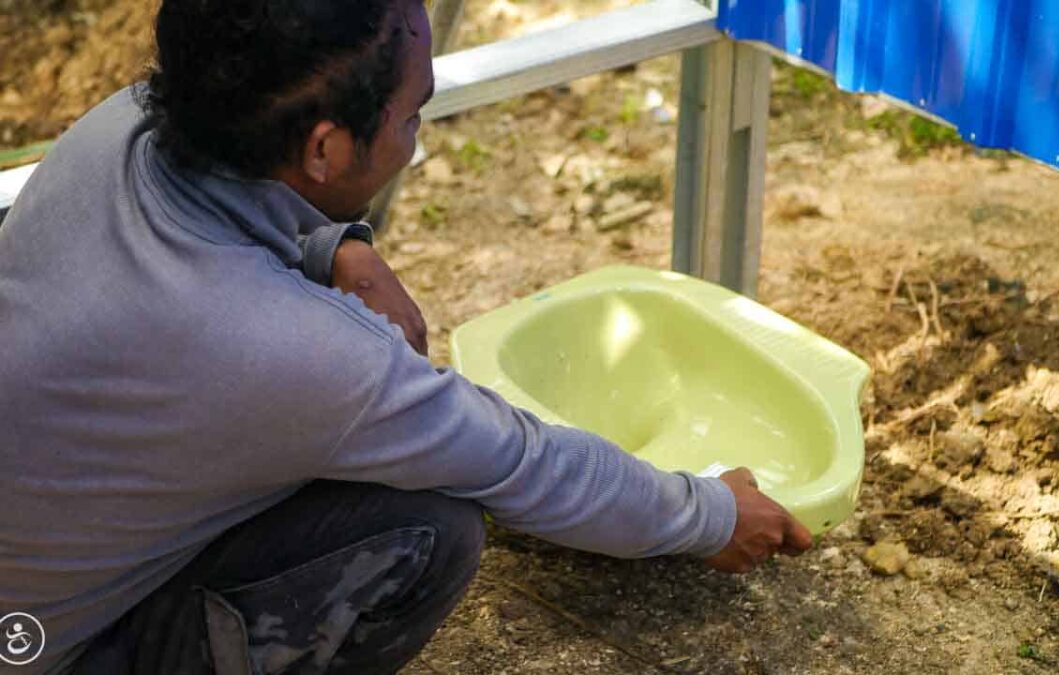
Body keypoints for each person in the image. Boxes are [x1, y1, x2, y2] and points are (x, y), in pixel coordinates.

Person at [0, 0, 813, 672]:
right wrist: (709, 512)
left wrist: (334, 243)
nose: (414, 138)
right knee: (430, 530)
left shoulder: (120, 130)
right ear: (324, 146)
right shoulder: (292, 353)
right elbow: (525, 462)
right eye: (412, 114)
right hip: (40, 649)